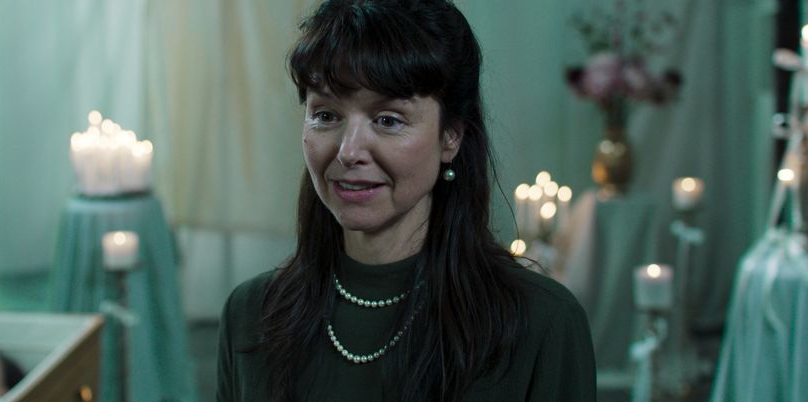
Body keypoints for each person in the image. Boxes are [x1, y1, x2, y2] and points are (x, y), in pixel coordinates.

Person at [217, 0, 596, 401]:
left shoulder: (541, 322)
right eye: (326, 115)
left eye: (388, 120)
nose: (349, 151)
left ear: (451, 136)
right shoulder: (251, 315)